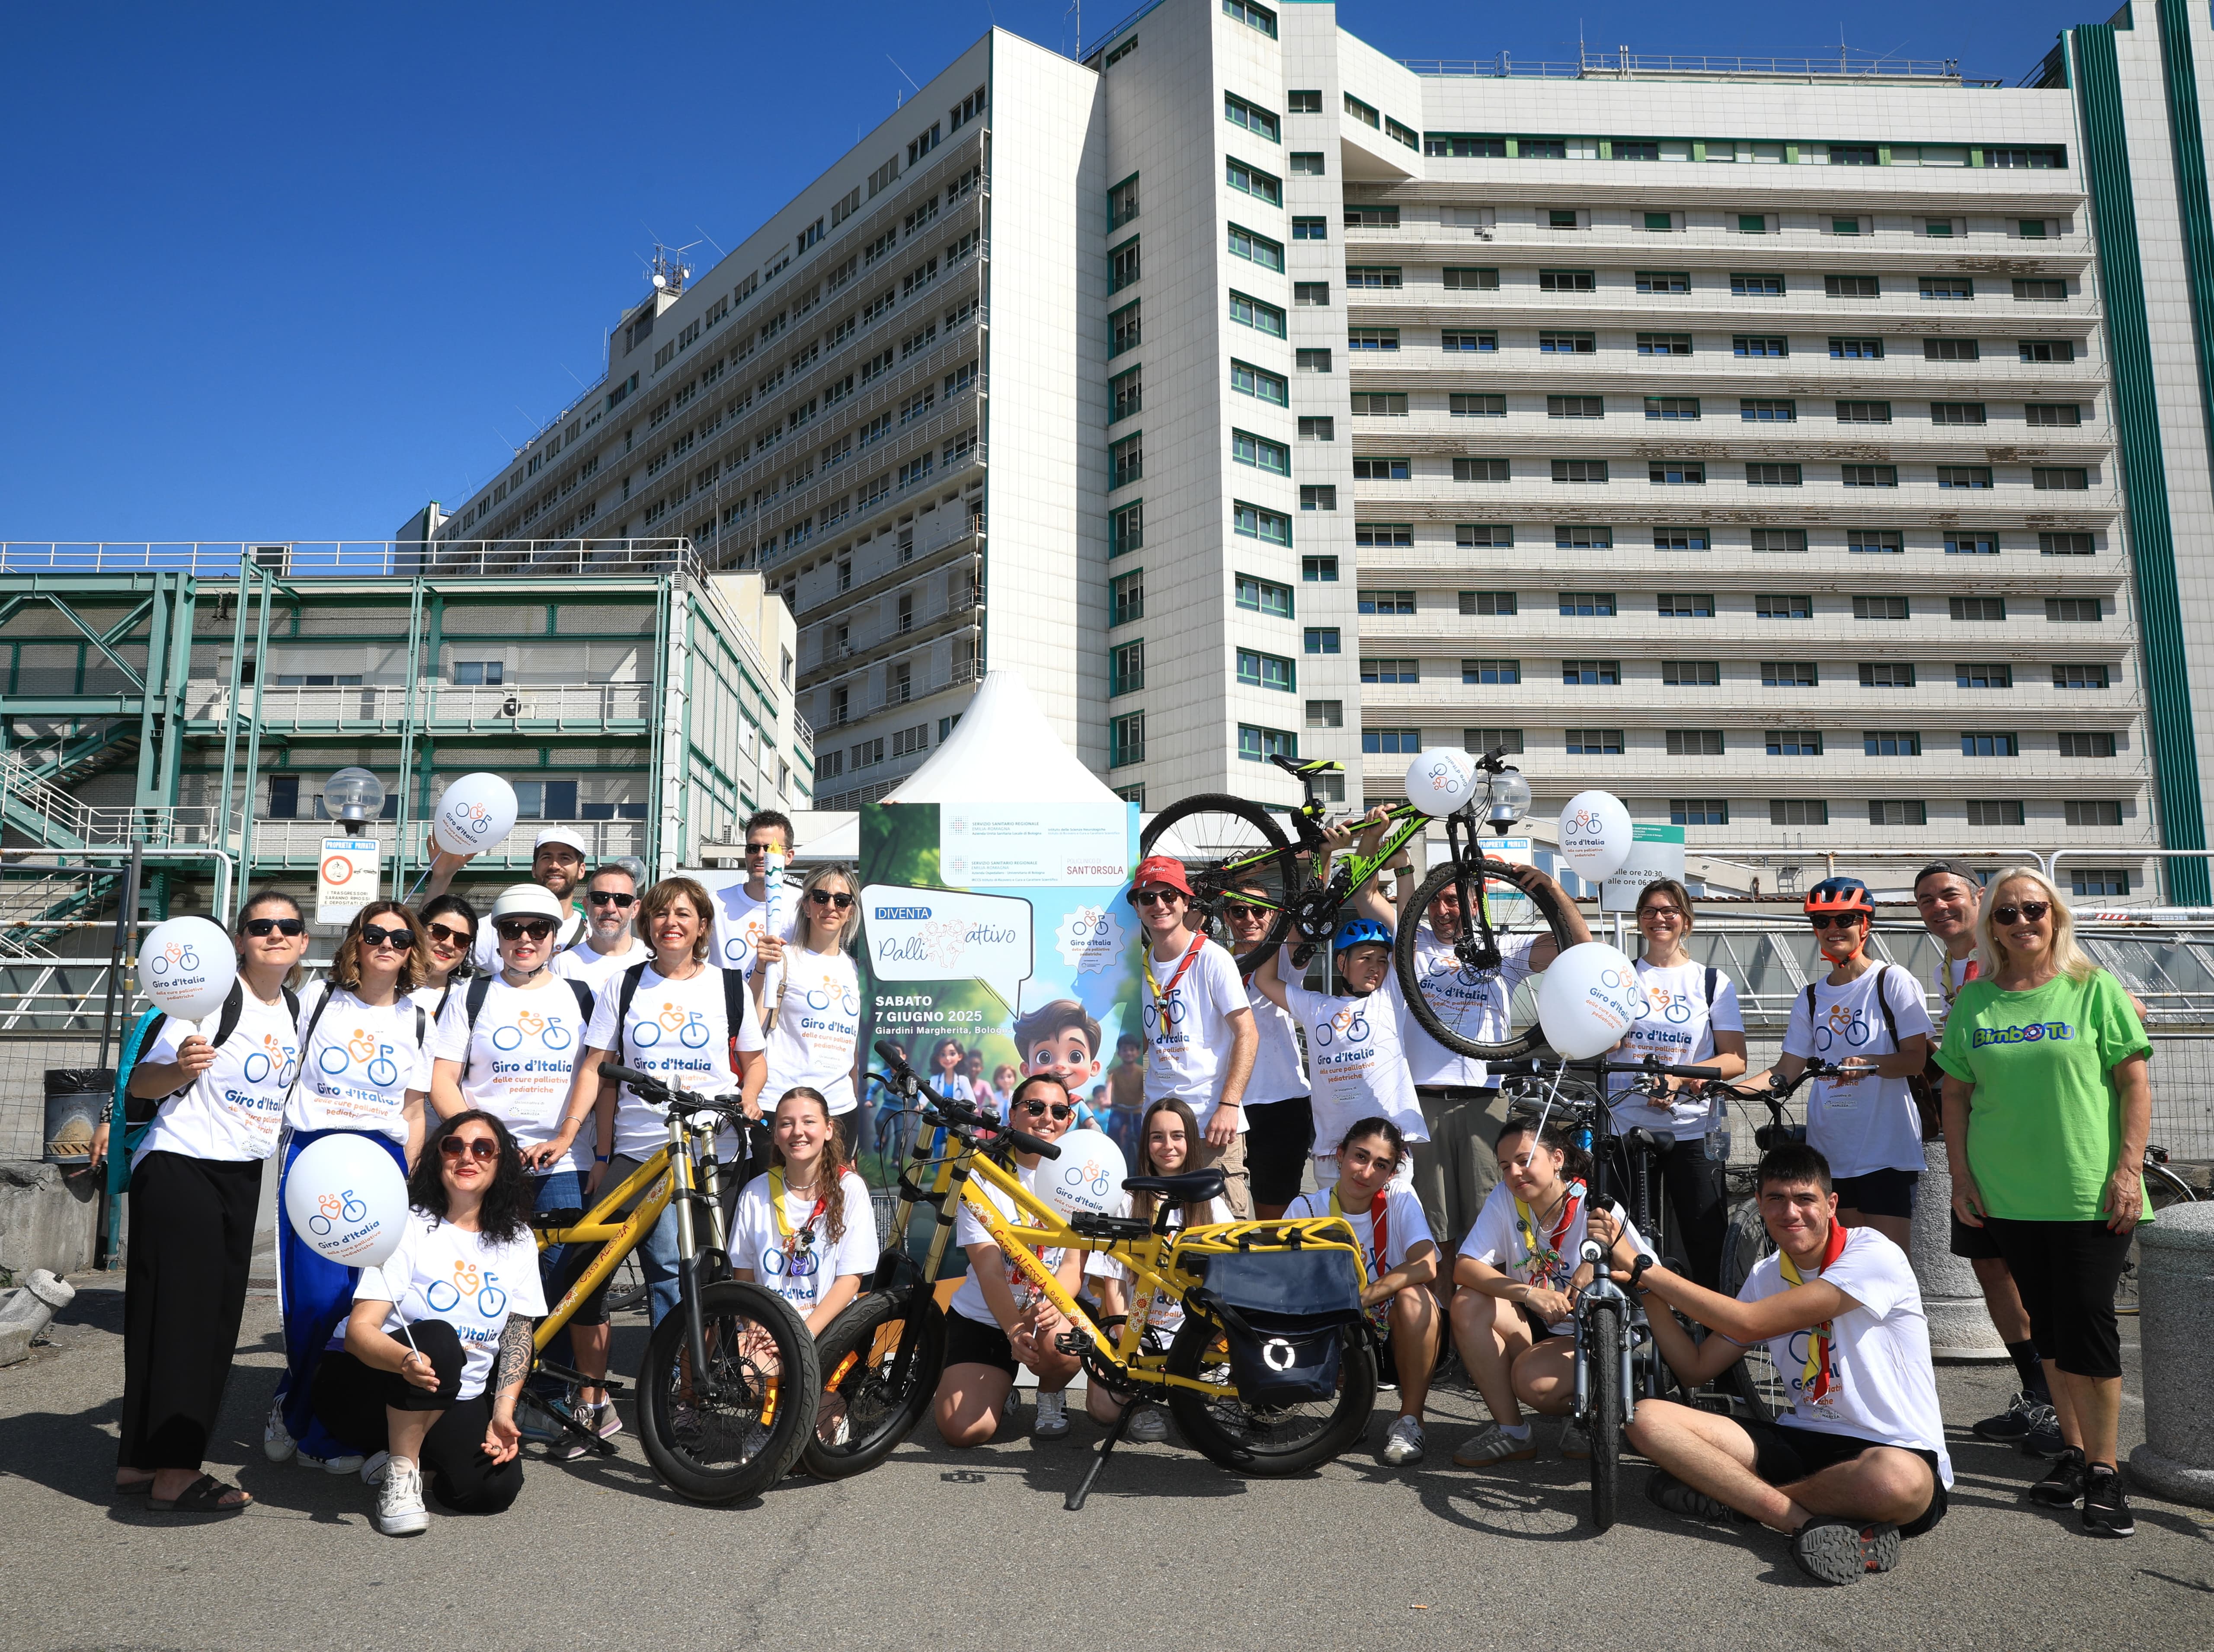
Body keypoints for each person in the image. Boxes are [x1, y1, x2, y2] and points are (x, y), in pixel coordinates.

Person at [1603, 1142, 1953, 1586]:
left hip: (1891, 1446)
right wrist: (1648, 1292)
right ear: (1761, 1204)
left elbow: (1748, 1323)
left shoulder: (1873, 1253)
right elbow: (1695, 1367)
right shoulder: (1767, 1272)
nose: (1790, 1212)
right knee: (1644, 1418)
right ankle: (1804, 1520)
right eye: (1775, 1198)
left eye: (1804, 1198)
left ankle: (1737, 1501)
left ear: (1830, 1204)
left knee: (1896, 1483)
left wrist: (1650, 1270)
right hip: (1802, 1436)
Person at [1938, 865, 2152, 1539]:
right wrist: (1963, 1179)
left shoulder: (2094, 989)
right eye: (2006, 913)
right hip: (2008, 1196)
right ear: (1989, 926)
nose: (2022, 921)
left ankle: (2107, 1469)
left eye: (2034, 908)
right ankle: (2075, 1451)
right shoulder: (1976, 1003)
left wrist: (2128, 1171)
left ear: (2055, 916)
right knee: (2050, 1332)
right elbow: (1954, 1095)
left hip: (2091, 1193)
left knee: (2090, 1326)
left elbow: (2134, 1084)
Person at [100, 890, 310, 1511]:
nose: (276, 934)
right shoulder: (208, 999)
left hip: (239, 1174)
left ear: (303, 941)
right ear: (240, 939)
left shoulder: (295, 1007)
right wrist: (181, 1069)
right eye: (261, 925)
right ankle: (176, 1473)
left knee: (177, 1320)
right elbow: (142, 1083)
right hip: (181, 1168)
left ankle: (139, 1463)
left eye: (289, 926)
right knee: (194, 1327)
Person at [535, 876, 767, 1412]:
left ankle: (686, 1395)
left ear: (703, 925)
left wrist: (750, 1098)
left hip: (712, 1153)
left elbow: (754, 1065)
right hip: (638, 1152)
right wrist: (580, 1138)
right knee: (584, 1270)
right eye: (662, 914)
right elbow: (597, 1068)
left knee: (694, 1279)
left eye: (684, 914)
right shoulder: (625, 983)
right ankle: (593, 1399)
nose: (671, 923)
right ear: (648, 923)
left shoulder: (729, 986)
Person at [312, 1111, 545, 1537]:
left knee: (493, 1489)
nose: (467, 1156)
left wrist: (503, 1410)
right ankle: (402, 1475)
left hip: (454, 1395)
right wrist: (404, 1360)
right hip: (366, 1384)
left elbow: (517, 1331)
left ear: (501, 1161)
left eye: (483, 1147)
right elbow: (361, 1331)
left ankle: (413, 1460)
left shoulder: (517, 1239)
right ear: (438, 1156)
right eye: (453, 1146)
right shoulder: (408, 1223)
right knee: (439, 1337)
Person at [267, 900, 436, 1476]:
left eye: (399, 937)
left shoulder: (419, 1018)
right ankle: (299, 1408)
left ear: (412, 949)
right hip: (316, 1154)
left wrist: (407, 1178)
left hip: (382, 1161)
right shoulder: (316, 999)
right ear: (356, 943)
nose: (387, 944)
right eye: (374, 934)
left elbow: (414, 1111)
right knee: (313, 1300)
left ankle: (323, 1422)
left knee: (358, 1302)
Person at [429, 884, 598, 1452]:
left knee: (554, 1286)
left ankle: (541, 1396)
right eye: (512, 929)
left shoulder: (581, 995)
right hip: (489, 1165)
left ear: (554, 936)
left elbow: (595, 1076)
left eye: (538, 929)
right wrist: (488, 1145)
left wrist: (572, 1138)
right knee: (482, 1280)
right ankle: (473, 1392)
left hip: (563, 1162)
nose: (525, 939)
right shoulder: (471, 996)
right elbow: (442, 1081)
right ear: (496, 938)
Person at [1913, 862, 2058, 1456]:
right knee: (1992, 1267)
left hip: (2033, 1144)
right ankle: (2037, 1390)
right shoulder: (1951, 968)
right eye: (1925, 900)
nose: (1939, 906)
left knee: (2040, 1276)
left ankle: (2062, 1405)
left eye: (1950, 895)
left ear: (1979, 898)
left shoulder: (2016, 944)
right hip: (1975, 1144)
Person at [1397, 855, 1590, 1278]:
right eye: (1434, 902)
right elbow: (1381, 900)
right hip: (1423, 1102)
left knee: (1489, 1216)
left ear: (1474, 901)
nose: (1442, 910)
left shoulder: (1502, 947)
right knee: (1434, 1225)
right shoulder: (1414, 943)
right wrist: (1399, 864)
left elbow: (1580, 952)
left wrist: (1555, 892)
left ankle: (1490, 1316)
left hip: (1484, 1100)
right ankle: (1447, 1326)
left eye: (1452, 900)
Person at [1449, 1117, 1642, 1467]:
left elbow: (1645, 1273)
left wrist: (1599, 1264)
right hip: (1541, 1324)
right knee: (1467, 1302)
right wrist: (1527, 1293)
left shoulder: (1595, 1203)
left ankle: (1592, 1410)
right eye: (1506, 1166)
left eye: (1525, 1160)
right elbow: (1464, 1267)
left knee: (1531, 1380)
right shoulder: (1505, 1197)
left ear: (1557, 1159)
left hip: (1599, 1335)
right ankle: (1513, 1432)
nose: (1515, 1173)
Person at [1755, 878, 1932, 1246]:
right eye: (1822, 921)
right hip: (1831, 1153)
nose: (1833, 929)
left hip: (1885, 1150)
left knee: (1888, 1267)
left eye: (1844, 918)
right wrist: (1726, 1089)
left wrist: (1869, 1062)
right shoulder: (1811, 997)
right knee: (1844, 1267)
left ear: (1865, 925)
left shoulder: (1891, 980)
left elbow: (1916, 1060)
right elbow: (1786, 1069)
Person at [934, 1074, 1092, 1445]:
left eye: (1058, 1110)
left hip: (1043, 1315)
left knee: (1066, 1342)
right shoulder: (984, 1176)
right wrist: (1015, 1330)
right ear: (1014, 1115)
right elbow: (989, 1270)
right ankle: (1001, 1385)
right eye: (1035, 1108)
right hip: (984, 1317)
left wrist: (1056, 1303)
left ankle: (1050, 1393)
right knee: (964, 1431)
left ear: (1070, 1119)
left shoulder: (1082, 1179)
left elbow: (1073, 1266)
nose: (1046, 1118)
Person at [1606, 877, 1747, 1288]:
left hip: (1692, 1129)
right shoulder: (1622, 974)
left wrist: (1679, 1076)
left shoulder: (1711, 982)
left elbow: (1735, 1058)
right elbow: (1603, 1041)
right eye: (1649, 911)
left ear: (1686, 919)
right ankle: (1627, 1343)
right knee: (1623, 1243)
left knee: (1705, 1241)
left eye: (1669, 911)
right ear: (1638, 921)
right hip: (1627, 1125)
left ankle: (1716, 1341)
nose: (1659, 918)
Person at [1285, 1118, 1438, 1466]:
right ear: (1340, 1155)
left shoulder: (1399, 1197)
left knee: (1417, 1299)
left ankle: (1409, 1420)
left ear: (1391, 1173)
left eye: (1381, 1165)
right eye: (1360, 1157)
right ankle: (1348, 1414)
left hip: (1390, 1328)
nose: (1366, 1172)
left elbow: (1427, 1265)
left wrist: (1363, 1297)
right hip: (1335, 1330)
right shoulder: (1306, 1209)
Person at [1088, 1096, 1232, 1444]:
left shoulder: (1211, 1203)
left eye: (1177, 1136)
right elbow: (1114, 1284)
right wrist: (1129, 1348)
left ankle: (1201, 1382)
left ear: (1191, 1142)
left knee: (1211, 1392)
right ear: (1145, 1143)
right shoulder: (1126, 1201)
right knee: (1102, 1410)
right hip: (1139, 1331)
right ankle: (1142, 1401)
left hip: (1192, 1336)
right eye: (1157, 1137)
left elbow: (1233, 1280)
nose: (1167, 1146)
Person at [1252, 918, 1425, 1194]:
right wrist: (1279, 926)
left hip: (1387, 1150)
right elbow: (1265, 980)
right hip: (1332, 1151)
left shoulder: (1390, 999)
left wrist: (1405, 874)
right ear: (1341, 962)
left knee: (1389, 1232)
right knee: (1336, 1235)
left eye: (1382, 961)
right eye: (1365, 958)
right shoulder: (1316, 1006)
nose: (1375, 967)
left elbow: (1407, 932)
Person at [1129, 854, 1258, 1216]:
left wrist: (1229, 1106)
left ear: (1186, 902)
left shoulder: (1212, 958)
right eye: (1148, 897)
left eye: (1169, 895)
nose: (1159, 905)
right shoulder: (1139, 967)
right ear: (1137, 907)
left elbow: (1247, 1032)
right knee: (1162, 1240)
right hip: (1161, 1129)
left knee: (1225, 1243)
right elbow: (1144, 1041)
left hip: (1211, 1126)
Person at [730, 1086, 877, 1335]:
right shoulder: (754, 1191)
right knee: (736, 1367)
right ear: (776, 1135)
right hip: (769, 1329)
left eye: (809, 1121)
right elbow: (743, 1276)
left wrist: (798, 1339)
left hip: (828, 1332)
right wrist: (756, 1329)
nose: (798, 1132)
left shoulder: (850, 1188)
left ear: (828, 1129)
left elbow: (850, 1281)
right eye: (786, 1124)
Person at [749, 864, 864, 1153]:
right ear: (807, 905)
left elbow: (854, 1051)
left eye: (842, 900)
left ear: (850, 910)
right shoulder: (782, 958)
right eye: (821, 897)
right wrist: (762, 969)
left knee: (832, 1199)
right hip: (782, 1107)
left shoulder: (856, 970)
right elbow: (749, 1024)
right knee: (773, 1197)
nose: (831, 906)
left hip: (839, 1111)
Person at [1223, 880, 1312, 1220]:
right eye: (1239, 910)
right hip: (1229, 1106)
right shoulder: (1215, 962)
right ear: (1227, 917)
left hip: (1282, 1103)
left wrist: (1323, 858)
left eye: (1259, 910)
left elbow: (1309, 910)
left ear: (1273, 915)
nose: (1249, 918)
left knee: (1274, 1220)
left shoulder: (1284, 958)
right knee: (1225, 1216)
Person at [426, 824, 589, 968]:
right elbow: (424, 949)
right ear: (534, 868)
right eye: (547, 857)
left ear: (582, 870)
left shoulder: (594, 932)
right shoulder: (496, 926)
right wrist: (441, 878)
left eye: (565, 858)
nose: (555, 865)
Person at [710, 808, 797, 976]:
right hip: (730, 1001)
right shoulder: (717, 902)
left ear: (789, 856)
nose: (761, 855)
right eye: (753, 848)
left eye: (771, 848)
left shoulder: (802, 906)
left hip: (780, 1002)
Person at [554, 863, 649, 995]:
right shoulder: (563, 965)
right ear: (586, 906)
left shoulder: (651, 958)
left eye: (622, 900)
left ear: (635, 909)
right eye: (600, 898)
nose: (610, 908)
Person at [1013, 998, 1104, 1126]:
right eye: (1044, 1058)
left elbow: (1092, 1124)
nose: (1060, 1065)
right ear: (1026, 1069)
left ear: (1093, 1067)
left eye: (1075, 1057)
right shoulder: (1031, 1103)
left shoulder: (1076, 1104)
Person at [415, 894, 478, 1018]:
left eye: (462, 939)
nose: (449, 944)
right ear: (419, 930)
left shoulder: (469, 1000)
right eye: (440, 931)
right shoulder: (386, 988)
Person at [1105, 1032, 1146, 1157]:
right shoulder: (1114, 1073)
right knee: (1113, 1130)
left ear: (1137, 1053)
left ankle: (1145, 1161)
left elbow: (1146, 1089)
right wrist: (1107, 1100)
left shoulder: (1141, 1072)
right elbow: (1109, 1086)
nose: (1128, 1053)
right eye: (1125, 1050)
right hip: (1120, 1110)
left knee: (1143, 1136)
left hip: (1138, 1110)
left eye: (1132, 1050)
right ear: (1119, 1053)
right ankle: (1113, 1158)